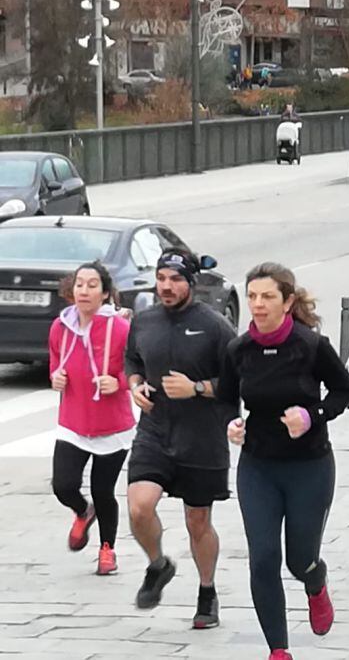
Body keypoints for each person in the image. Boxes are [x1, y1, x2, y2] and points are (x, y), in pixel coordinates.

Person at [218, 264, 349, 660]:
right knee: (263, 558)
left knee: (300, 559)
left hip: (309, 466)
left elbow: (343, 391)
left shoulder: (310, 345)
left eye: (267, 297)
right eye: (252, 296)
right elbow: (227, 397)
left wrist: (311, 416)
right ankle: (278, 650)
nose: (258, 305)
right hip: (258, 467)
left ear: (288, 301)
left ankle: (315, 582)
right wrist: (232, 422)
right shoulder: (238, 349)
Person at [124, 249, 235, 626]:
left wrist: (198, 388)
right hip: (155, 430)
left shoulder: (215, 325)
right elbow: (133, 361)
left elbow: (238, 381)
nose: (167, 287)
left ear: (191, 282)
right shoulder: (144, 321)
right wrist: (135, 386)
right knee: (139, 506)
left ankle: (207, 593)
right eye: (162, 279)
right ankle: (158, 564)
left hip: (202, 437)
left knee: (197, 521)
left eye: (175, 279)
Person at [49, 261, 134, 576]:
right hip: (73, 422)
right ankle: (83, 512)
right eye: (79, 284)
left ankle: (107, 549)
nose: (84, 291)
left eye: (92, 285)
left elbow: (138, 368)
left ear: (105, 293)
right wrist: (55, 377)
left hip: (111, 425)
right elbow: (57, 362)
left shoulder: (119, 328)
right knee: (63, 485)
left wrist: (119, 382)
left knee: (103, 489)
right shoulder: (60, 327)